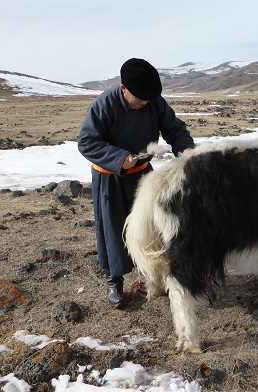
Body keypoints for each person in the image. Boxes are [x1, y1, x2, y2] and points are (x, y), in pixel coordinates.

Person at [78, 58, 195, 308]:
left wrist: (185, 149)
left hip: (143, 175)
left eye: (147, 101)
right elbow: (87, 142)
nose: (144, 104)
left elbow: (174, 128)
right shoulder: (104, 104)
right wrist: (120, 158)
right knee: (114, 228)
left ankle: (155, 277)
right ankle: (114, 280)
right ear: (124, 89)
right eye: (139, 100)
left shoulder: (153, 101)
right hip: (110, 177)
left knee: (152, 226)